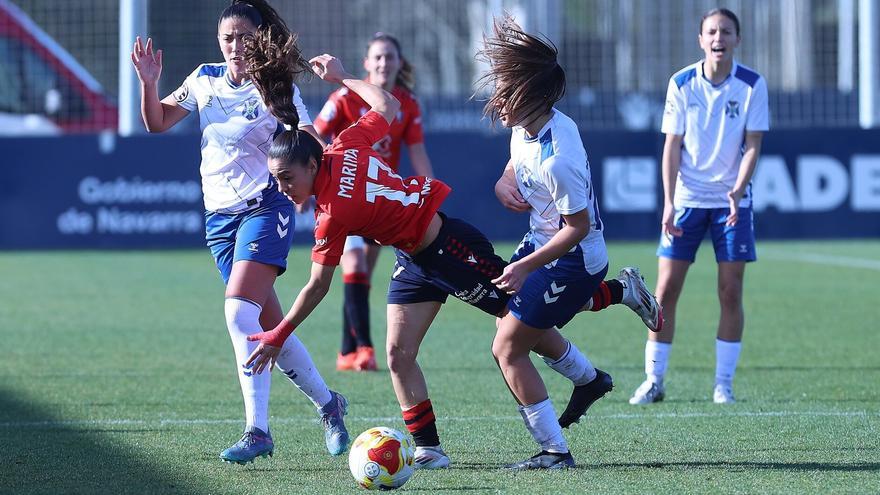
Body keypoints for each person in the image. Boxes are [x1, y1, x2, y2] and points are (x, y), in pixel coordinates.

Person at [242, 41, 661, 470]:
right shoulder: (345, 145)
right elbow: (386, 103)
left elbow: (317, 285)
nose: (281, 187)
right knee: (400, 353)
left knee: (517, 330)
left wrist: (279, 333)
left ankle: (579, 396)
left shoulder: (332, 213)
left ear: (311, 166)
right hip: (414, 258)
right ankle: (428, 449)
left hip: (453, 252)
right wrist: (343, 76)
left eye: (284, 178)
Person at [129, 0, 349, 464]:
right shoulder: (203, 78)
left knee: (235, 315)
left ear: (260, 39)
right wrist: (149, 84)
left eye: (245, 37)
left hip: (266, 209)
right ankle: (330, 405)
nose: (235, 46)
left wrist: (286, 120)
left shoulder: (275, 85)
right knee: (267, 328)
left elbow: (310, 140)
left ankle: (258, 430)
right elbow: (156, 123)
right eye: (228, 37)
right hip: (219, 220)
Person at [474, 15, 649, 470]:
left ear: (533, 95)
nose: (498, 100)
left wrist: (527, 266)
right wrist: (502, 183)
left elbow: (577, 227)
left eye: (507, 91)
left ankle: (555, 452)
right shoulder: (526, 127)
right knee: (511, 328)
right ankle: (589, 379)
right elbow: (514, 167)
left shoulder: (559, 159)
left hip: (573, 258)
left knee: (507, 347)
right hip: (543, 243)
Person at [629, 8, 768, 406]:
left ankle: (723, 384)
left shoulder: (752, 84)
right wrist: (669, 202)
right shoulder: (682, 82)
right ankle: (653, 380)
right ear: (701, 39)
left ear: (737, 40)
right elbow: (672, 145)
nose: (718, 38)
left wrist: (738, 189)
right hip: (688, 200)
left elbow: (753, 144)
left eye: (726, 31)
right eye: (711, 31)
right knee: (665, 289)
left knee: (730, 291)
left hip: (732, 205)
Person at [313, 33, 434, 372]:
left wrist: (428, 192)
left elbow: (418, 152)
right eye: (377, 57)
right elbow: (315, 133)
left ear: (399, 63)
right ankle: (365, 349)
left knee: (362, 275)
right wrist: (317, 177)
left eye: (389, 57)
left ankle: (345, 352)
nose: (383, 63)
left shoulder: (407, 103)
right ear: (366, 63)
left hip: (381, 198)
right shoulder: (343, 97)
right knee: (352, 267)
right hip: (346, 194)